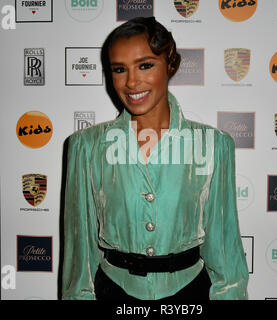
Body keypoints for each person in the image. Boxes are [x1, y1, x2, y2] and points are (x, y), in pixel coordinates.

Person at [61, 16, 249, 300]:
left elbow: (225, 252)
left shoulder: (214, 145)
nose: (132, 82)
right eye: (119, 69)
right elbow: (80, 258)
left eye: (145, 65)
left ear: (170, 65)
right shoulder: (86, 147)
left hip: (189, 294)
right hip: (114, 292)